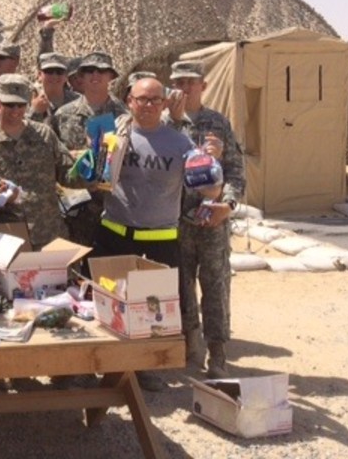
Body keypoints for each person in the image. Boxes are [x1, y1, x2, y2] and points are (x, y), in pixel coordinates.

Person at [93, 77, 194, 392]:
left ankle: (145, 367)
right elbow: (93, 179)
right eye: (142, 99)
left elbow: (205, 185)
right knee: (111, 302)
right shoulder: (113, 136)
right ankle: (110, 364)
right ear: (129, 102)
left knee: (153, 309)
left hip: (160, 239)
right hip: (115, 233)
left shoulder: (181, 144)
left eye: (155, 100)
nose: (148, 105)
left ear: (164, 103)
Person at [169, 61, 245, 379]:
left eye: (191, 82)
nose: (185, 88)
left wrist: (227, 204)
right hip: (176, 221)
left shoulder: (218, 123)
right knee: (181, 286)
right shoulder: (164, 123)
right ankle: (191, 347)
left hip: (212, 220)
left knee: (215, 286)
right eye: (179, 82)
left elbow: (235, 172)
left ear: (204, 85)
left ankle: (217, 352)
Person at [0, 75, 79, 248]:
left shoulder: (44, 135)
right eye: (9, 105)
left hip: (48, 233)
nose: (15, 110)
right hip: (8, 237)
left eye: (21, 105)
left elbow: (68, 174)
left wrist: (91, 170)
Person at [51, 52, 126, 248]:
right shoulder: (63, 115)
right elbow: (52, 158)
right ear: (81, 77)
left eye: (102, 71)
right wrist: (73, 156)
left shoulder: (124, 117)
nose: (95, 75)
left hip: (113, 210)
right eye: (90, 70)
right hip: (74, 210)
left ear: (111, 76)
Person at [29, 52, 78, 125]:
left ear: (66, 76)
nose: (54, 76)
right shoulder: (27, 100)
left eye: (59, 72)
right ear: (39, 75)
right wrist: (35, 111)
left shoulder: (78, 101)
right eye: (49, 71)